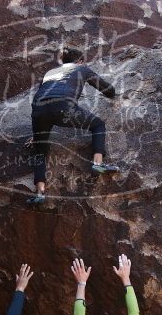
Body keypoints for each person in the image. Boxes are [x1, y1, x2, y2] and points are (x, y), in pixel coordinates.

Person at [27, 47, 120, 204]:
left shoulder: (50, 73)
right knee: (98, 125)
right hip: (64, 107)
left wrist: (36, 135)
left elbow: (46, 94)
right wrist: (113, 94)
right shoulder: (81, 68)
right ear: (81, 61)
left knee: (40, 150)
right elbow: (107, 89)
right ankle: (98, 164)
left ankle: (40, 193)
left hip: (38, 111)